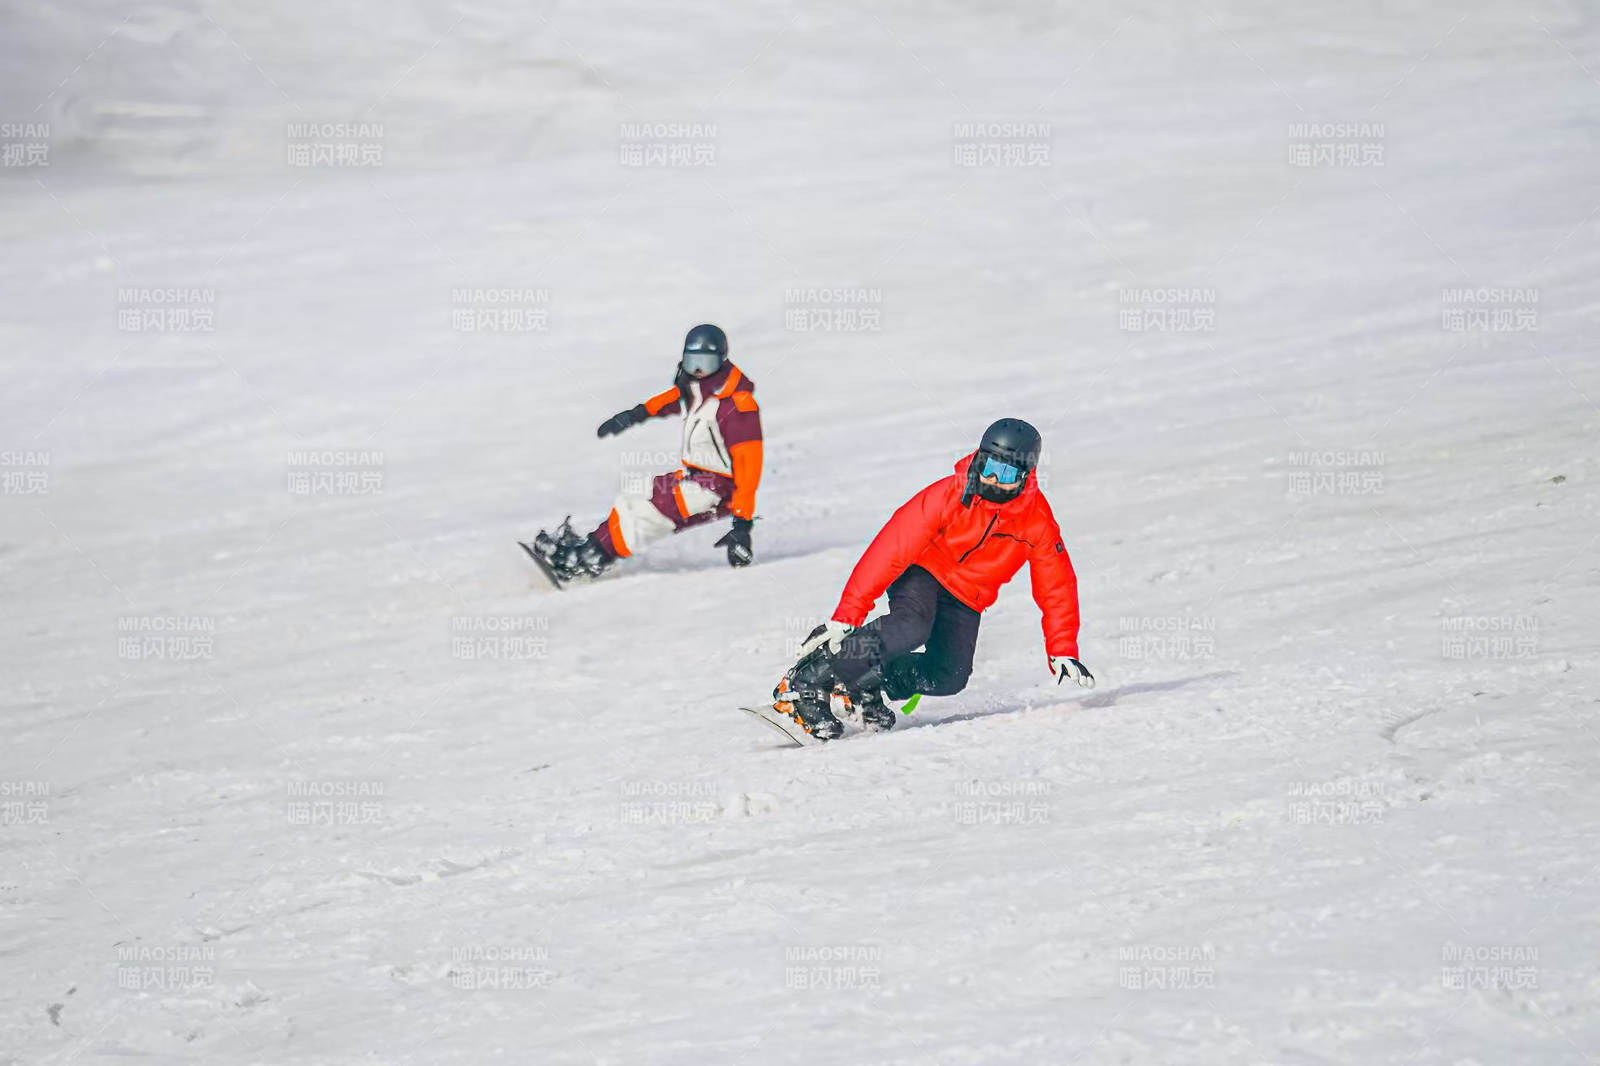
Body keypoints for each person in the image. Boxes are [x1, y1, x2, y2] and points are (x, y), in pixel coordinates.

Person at [772, 418, 1093, 740]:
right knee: (911, 626)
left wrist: (1062, 647)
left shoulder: (1036, 522)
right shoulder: (950, 494)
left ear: (1025, 477)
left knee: (949, 675)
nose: (993, 479)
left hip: (968, 595)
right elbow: (892, 546)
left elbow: (1056, 585)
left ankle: (864, 683)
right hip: (925, 571)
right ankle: (807, 680)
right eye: (988, 466)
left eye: (1006, 474)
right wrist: (848, 613)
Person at [523, 324, 762, 582]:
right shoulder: (701, 388)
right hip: (697, 478)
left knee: (649, 513)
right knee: (634, 494)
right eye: (693, 362)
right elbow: (673, 399)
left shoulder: (738, 406)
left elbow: (750, 469)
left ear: (722, 360)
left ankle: (589, 559)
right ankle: (590, 546)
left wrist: (742, 525)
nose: (699, 370)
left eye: (706, 363)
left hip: (718, 489)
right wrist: (632, 416)